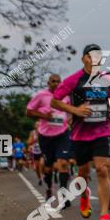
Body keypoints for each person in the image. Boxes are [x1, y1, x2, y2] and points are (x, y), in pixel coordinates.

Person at [51, 44, 110, 220]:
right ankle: (84, 196)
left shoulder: (108, 78)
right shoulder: (73, 80)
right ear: (84, 59)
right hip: (80, 133)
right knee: (83, 173)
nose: (95, 59)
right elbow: (54, 101)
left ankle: (104, 216)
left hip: (102, 130)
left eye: (98, 55)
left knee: (102, 169)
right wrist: (75, 110)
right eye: (91, 56)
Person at [26, 74, 72, 202]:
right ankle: (48, 188)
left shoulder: (66, 96)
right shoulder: (41, 95)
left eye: (58, 81)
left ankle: (63, 195)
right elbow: (28, 111)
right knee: (48, 167)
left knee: (63, 163)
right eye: (53, 81)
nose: (56, 83)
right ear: (48, 83)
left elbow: (70, 112)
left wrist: (69, 120)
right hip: (45, 136)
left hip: (62, 134)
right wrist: (44, 115)